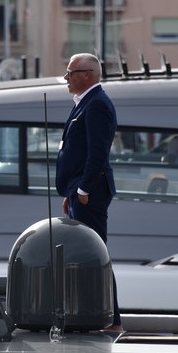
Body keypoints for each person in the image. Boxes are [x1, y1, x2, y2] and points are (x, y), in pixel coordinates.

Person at [55, 52, 122, 331]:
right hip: (77, 191)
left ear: (87, 75)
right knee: (83, 254)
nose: (66, 78)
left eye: (70, 73)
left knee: (95, 254)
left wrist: (82, 189)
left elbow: (97, 152)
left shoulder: (97, 104)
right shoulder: (85, 102)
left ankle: (112, 319)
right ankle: (91, 313)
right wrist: (69, 192)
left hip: (89, 192)